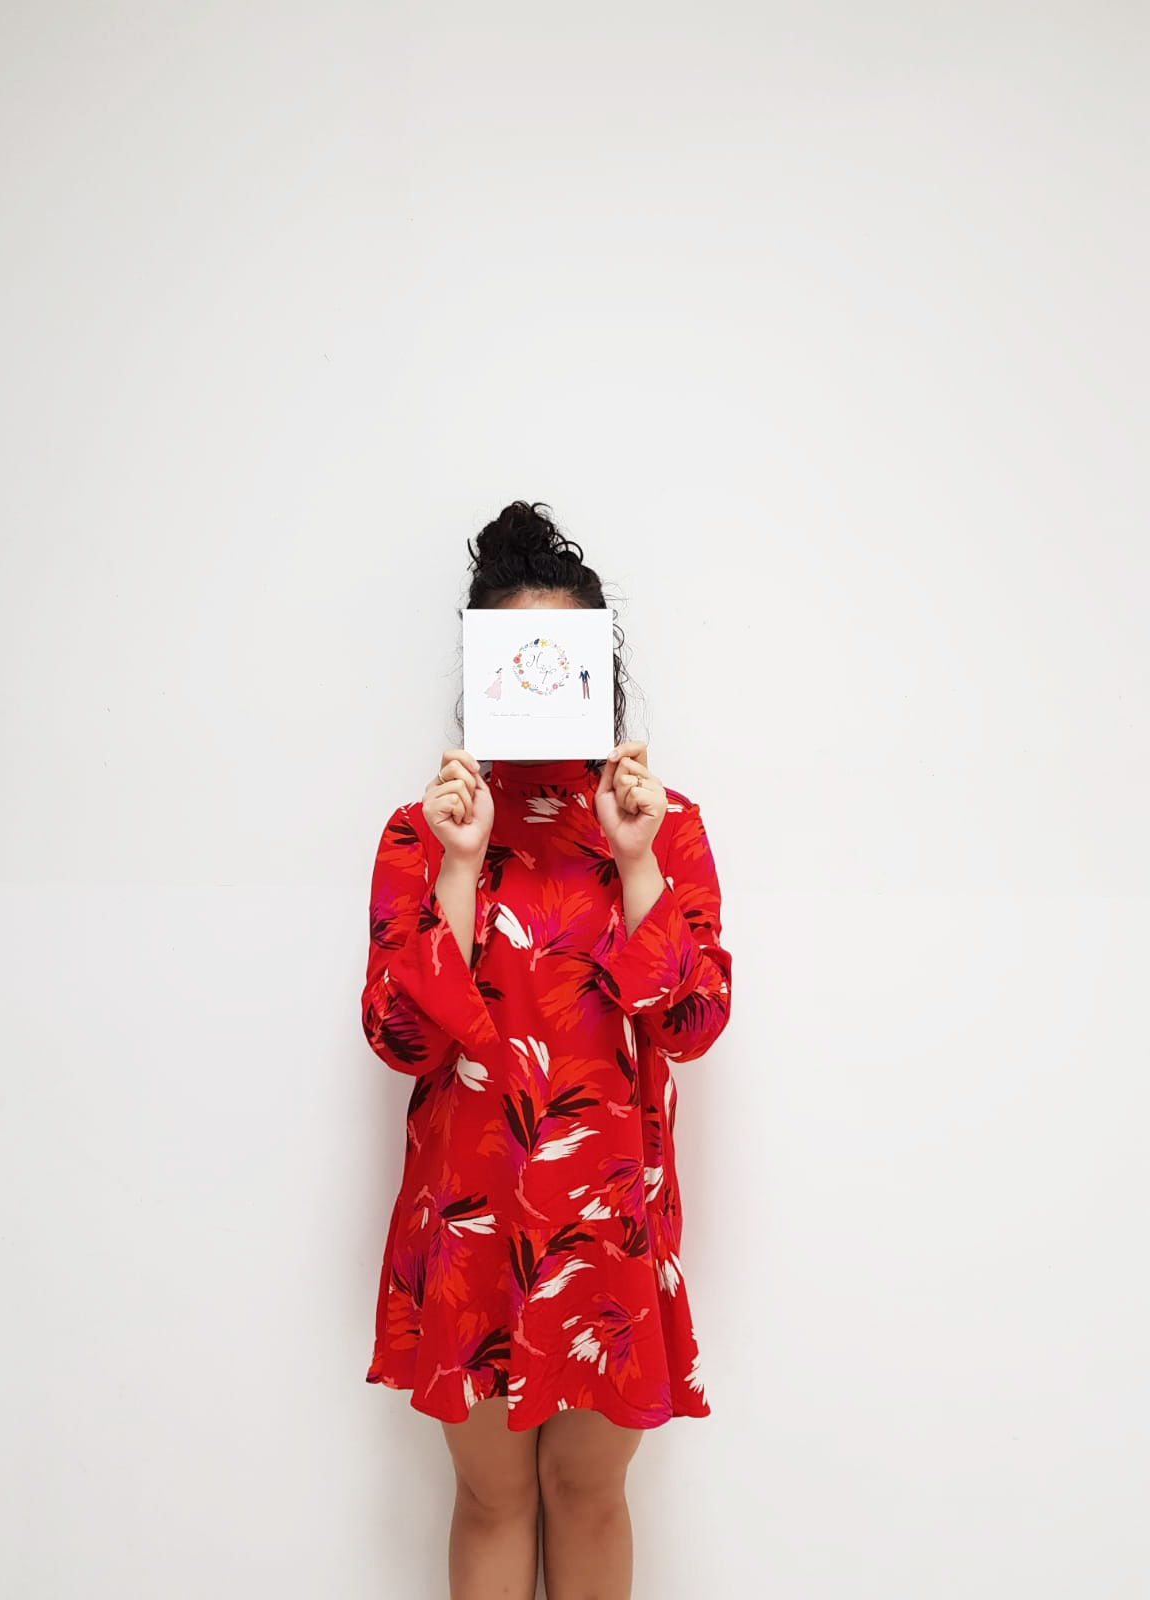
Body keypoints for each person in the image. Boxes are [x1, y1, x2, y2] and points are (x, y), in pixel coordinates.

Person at [361, 501, 733, 1600]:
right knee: (490, 1499)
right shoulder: (421, 835)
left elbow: (693, 1024)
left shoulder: (665, 828)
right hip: (471, 1218)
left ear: (594, 674)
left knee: (588, 1494)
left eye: (558, 658)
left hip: (608, 1219)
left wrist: (635, 863)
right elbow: (400, 1037)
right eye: (512, 658)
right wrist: (460, 866)